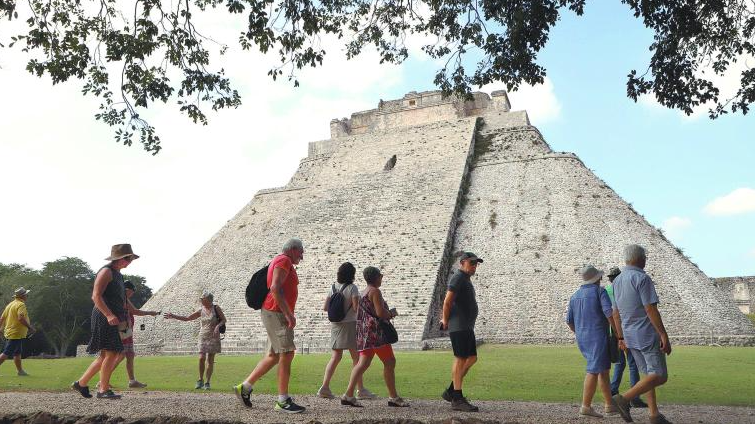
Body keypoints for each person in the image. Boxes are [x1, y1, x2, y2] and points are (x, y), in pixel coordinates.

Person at [233, 238, 306, 413]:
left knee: (273, 355)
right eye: (301, 252)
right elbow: (275, 288)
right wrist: (289, 314)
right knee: (287, 353)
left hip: (273, 312)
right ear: (293, 249)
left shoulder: (281, 260)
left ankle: (245, 387)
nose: (302, 256)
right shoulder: (284, 260)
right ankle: (283, 401)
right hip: (276, 312)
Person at [611, 245, 673, 424]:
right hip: (646, 334)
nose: (646, 259)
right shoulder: (642, 278)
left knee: (648, 375)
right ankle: (623, 399)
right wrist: (663, 334)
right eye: (645, 257)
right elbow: (650, 308)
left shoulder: (617, 281)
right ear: (640, 259)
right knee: (660, 375)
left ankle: (654, 414)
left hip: (630, 336)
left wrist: (620, 337)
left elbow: (616, 313)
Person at [71, 243, 138, 400]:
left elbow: (120, 300)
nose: (130, 261)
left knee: (104, 355)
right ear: (121, 258)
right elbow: (96, 296)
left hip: (115, 317)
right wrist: (108, 314)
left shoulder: (118, 275)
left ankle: (81, 383)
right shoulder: (106, 271)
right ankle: (103, 389)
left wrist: (123, 318)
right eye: (129, 258)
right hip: (104, 316)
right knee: (112, 352)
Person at [340, 266, 409, 408]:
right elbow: (380, 313)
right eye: (380, 275)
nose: (382, 277)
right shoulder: (375, 291)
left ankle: (348, 394)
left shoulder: (363, 292)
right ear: (376, 277)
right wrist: (391, 313)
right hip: (376, 334)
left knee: (362, 364)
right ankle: (393, 397)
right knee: (390, 362)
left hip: (365, 332)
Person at [317, 262, 376, 400]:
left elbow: (325, 307)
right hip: (349, 325)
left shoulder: (332, 287)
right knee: (357, 359)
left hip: (336, 325)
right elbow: (356, 308)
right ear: (352, 274)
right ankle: (360, 389)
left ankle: (324, 387)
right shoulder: (352, 288)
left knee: (335, 357)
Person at [566, 265, 619, 418]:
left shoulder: (574, 296)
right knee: (594, 370)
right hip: (598, 336)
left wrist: (580, 332)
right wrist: (618, 334)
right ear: (597, 278)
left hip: (583, 337)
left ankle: (609, 405)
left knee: (603, 370)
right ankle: (586, 406)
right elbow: (609, 313)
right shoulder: (599, 292)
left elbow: (569, 321)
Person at [440, 252, 482, 412]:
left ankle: (451, 390)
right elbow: (447, 301)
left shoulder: (464, 279)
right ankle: (457, 398)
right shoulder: (458, 278)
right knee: (460, 359)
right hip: (460, 326)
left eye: (476, 264)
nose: (474, 266)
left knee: (472, 358)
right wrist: (445, 320)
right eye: (471, 263)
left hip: (466, 326)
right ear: (462, 263)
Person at [165, 289, 226, 389]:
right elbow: (187, 318)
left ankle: (207, 382)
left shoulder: (216, 308)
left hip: (214, 336)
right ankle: (200, 379)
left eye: (203, 299)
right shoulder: (201, 310)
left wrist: (218, 326)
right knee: (201, 358)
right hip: (203, 336)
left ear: (208, 300)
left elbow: (224, 320)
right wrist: (173, 316)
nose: (201, 300)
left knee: (210, 360)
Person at [606, 267, 647, 407]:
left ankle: (613, 391)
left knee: (619, 362)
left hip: (613, 330)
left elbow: (608, 313)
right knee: (633, 363)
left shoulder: (606, 291)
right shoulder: (622, 289)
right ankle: (634, 396)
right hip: (625, 330)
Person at [111, 280, 160, 389]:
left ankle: (132, 381)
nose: (132, 294)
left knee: (130, 355)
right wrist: (150, 313)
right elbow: (135, 311)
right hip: (123, 329)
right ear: (127, 290)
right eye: (132, 292)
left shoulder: (123, 298)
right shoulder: (122, 298)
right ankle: (103, 379)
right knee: (121, 355)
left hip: (127, 329)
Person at [0, 287, 35, 376]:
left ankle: (20, 371)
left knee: (17, 353)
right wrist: (30, 327)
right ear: (23, 296)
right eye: (26, 294)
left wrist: (0, 329)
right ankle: (20, 371)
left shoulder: (10, 304)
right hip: (15, 333)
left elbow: (1, 318)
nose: (27, 296)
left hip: (12, 332)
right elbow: (20, 318)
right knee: (6, 353)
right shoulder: (21, 305)